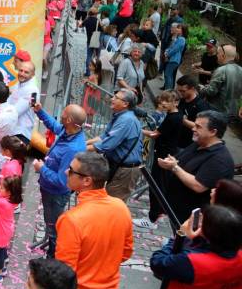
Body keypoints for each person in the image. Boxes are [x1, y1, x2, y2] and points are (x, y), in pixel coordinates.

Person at [56, 152, 133, 289]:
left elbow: (65, 272)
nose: (66, 172)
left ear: (87, 181)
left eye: (71, 170)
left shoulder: (72, 220)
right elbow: (126, 252)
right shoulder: (120, 207)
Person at [155, 110, 234, 223]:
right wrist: (170, 161)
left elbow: (199, 185)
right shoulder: (198, 144)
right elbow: (180, 161)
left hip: (191, 220)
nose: (193, 128)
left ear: (213, 132)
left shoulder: (220, 159)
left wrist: (174, 167)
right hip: (175, 211)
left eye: (198, 127)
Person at [32, 102, 87, 257]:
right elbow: (55, 125)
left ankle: (52, 258)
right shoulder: (68, 130)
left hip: (55, 194)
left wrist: (41, 168)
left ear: (69, 119)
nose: (61, 114)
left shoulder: (73, 148)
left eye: (64, 112)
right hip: (48, 189)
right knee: (51, 223)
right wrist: (40, 111)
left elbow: (62, 181)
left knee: (53, 226)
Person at [133, 91, 185, 229]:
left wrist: (138, 129)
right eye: (162, 100)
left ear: (175, 102)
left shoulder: (173, 118)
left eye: (167, 101)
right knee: (160, 184)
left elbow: (155, 134)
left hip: (164, 154)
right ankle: (157, 211)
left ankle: (152, 218)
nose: (163, 103)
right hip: (166, 153)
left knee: (157, 185)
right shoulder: (175, 115)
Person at [86, 89, 142, 202]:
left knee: (112, 203)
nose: (112, 99)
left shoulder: (126, 120)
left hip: (126, 170)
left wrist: (77, 149)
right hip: (117, 165)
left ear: (125, 104)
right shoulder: (119, 115)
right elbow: (104, 137)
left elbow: (106, 145)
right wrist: (83, 143)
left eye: (116, 98)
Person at [200, 44, 242, 121]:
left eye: (218, 53)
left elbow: (211, 91)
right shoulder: (240, 70)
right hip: (231, 112)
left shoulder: (221, 70)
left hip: (215, 110)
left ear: (223, 56)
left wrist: (202, 88)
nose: (216, 56)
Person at [6, 60, 39, 146]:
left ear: (32, 75)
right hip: (12, 131)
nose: (22, 74)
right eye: (21, 70)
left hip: (21, 134)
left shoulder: (32, 90)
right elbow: (9, 102)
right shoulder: (19, 84)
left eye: (26, 72)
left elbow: (15, 111)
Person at [175, 75, 211, 149]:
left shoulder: (201, 106)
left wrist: (183, 120)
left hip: (187, 145)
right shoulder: (183, 99)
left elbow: (202, 127)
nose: (180, 93)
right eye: (179, 90)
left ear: (192, 89)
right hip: (176, 139)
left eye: (183, 91)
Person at [162, 23, 186, 90]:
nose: (177, 29)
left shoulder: (182, 39)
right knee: (169, 75)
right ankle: (169, 91)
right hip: (172, 59)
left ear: (183, 30)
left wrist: (167, 54)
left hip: (174, 59)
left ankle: (168, 91)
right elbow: (171, 47)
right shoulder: (178, 38)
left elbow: (175, 49)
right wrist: (166, 51)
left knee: (168, 75)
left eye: (179, 28)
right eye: (177, 27)